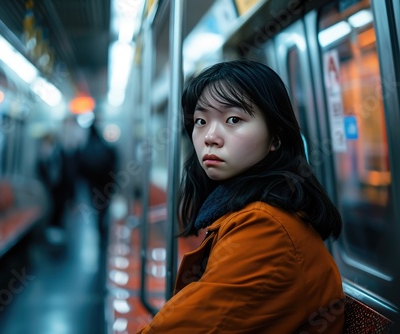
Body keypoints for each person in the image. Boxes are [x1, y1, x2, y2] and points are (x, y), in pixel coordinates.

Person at [136, 59, 344, 333]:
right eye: (200, 121)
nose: (210, 136)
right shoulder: (249, 212)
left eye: (233, 119)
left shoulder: (266, 229)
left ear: (276, 138)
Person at [77, 122, 118, 248]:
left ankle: (100, 230)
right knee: (104, 209)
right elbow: (113, 165)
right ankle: (103, 231)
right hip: (106, 184)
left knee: (97, 208)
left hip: (92, 186)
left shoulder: (85, 148)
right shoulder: (106, 147)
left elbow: (81, 169)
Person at [36, 131, 76, 245]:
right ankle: (51, 231)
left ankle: (57, 231)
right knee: (52, 209)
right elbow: (42, 172)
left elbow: (67, 174)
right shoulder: (43, 157)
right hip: (49, 189)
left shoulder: (61, 154)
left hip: (61, 189)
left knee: (59, 209)